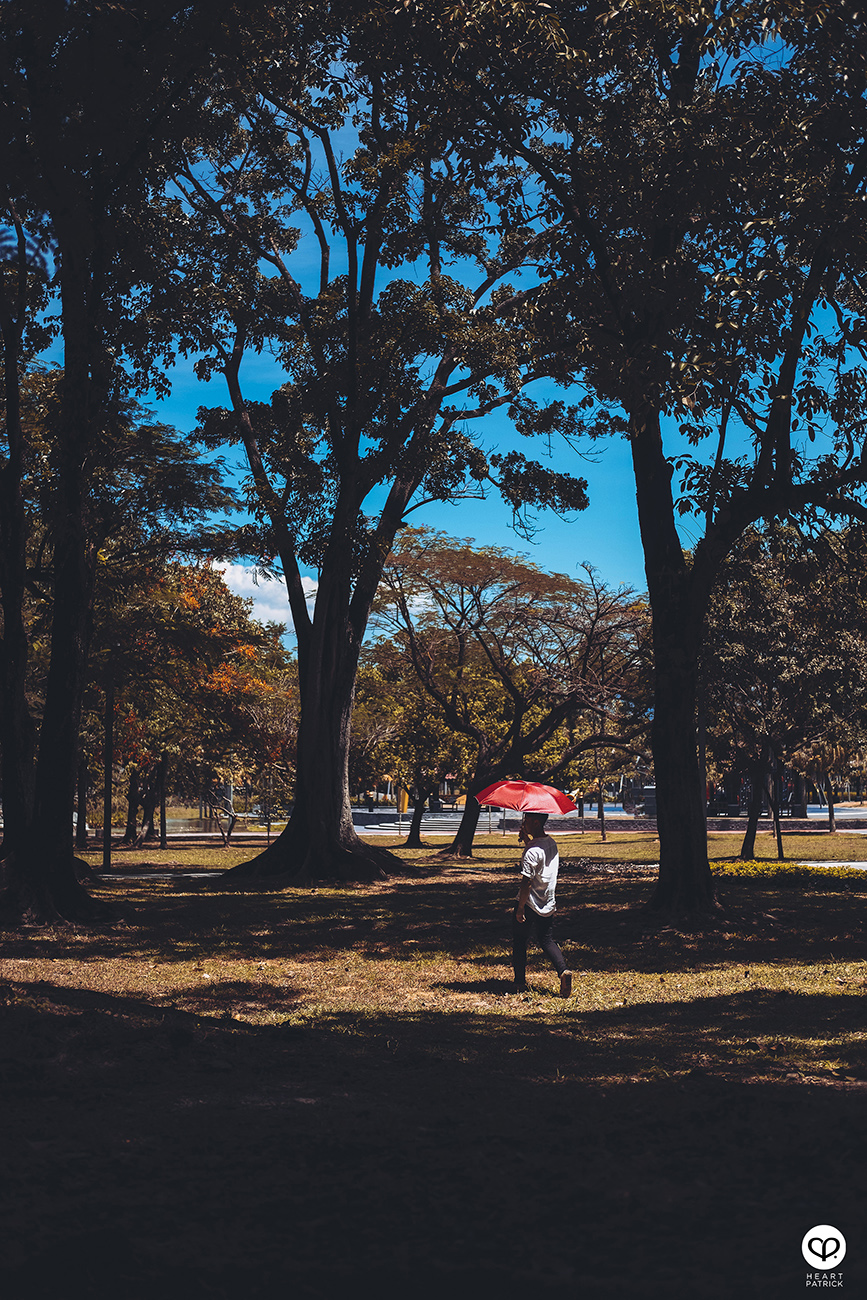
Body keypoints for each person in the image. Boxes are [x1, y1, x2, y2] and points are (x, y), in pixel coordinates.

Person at [512, 811, 572, 997]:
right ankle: (563, 971)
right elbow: (540, 857)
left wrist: (520, 908)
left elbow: (526, 882)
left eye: (527, 820)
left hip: (529, 901)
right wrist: (526, 839)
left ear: (536, 823)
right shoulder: (550, 843)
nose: (524, 822)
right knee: (546, 940)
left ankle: (520, 983)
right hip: (547, 900)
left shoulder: (532, 851)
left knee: (520, 941)